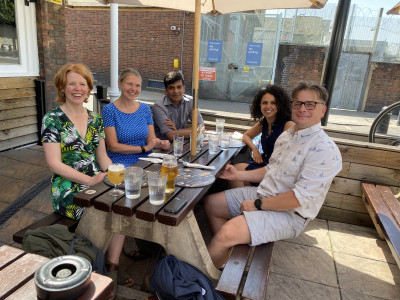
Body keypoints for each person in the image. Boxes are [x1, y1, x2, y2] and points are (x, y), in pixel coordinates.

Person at [204, 82, 342, 269]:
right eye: (298, 103)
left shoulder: (324, 149)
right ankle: (227, 262)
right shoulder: (287, 136)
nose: (303, 109)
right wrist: (236, 173)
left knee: (227, 233)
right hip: (264, 194)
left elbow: (299, 199)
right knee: (211, 203)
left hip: (290, 215)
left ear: (323, 110)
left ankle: (204, 283)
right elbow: (271, 170)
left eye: (310, 104)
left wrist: (257, 205)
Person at [41, 63, 131, 299]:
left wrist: (116, 174)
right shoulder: (52, 119)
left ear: (89, 88)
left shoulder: (95, 119)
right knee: (102, 211)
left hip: (95, 179)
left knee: (123, 203)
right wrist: (90, 181)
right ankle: (88, 270)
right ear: (62, 87)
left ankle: (111, 268)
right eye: (72, 83)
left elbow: (102, 156)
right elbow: (54, 164)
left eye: (83, 83)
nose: (77, 88)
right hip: (68, 187)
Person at [101, 68, 170, 167]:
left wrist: (161, 143)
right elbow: (113, 147)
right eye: (129, 84)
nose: (133, 89)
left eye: (137, 85)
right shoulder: (109, 110)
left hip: (146, 158)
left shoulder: (145, 108)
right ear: (119, 84)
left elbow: (151, 139)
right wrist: (143, 148)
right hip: (121, 161)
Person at [230, 85, 294, 188]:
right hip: (264, 163)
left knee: (234, 172)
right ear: (259, 105)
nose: (268, 106)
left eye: (273, 103)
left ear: (280, 105)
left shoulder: (288, 124)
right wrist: (254, 149)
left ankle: (244, 199)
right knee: (231, 171)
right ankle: (242, 198)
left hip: (276, 171)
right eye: (265, 103)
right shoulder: (264, 122)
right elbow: (246, 135)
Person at [152, 71, 204, 141]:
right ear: (166, 90)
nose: (176, 91)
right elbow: (170, 136)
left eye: (179, 87)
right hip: (162, 146)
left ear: (184, 88)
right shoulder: (158, 106)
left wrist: (176, 131)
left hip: (181, 142)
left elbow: (201, 127)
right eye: (171, 88)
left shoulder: (190, 101)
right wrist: (195, 130)